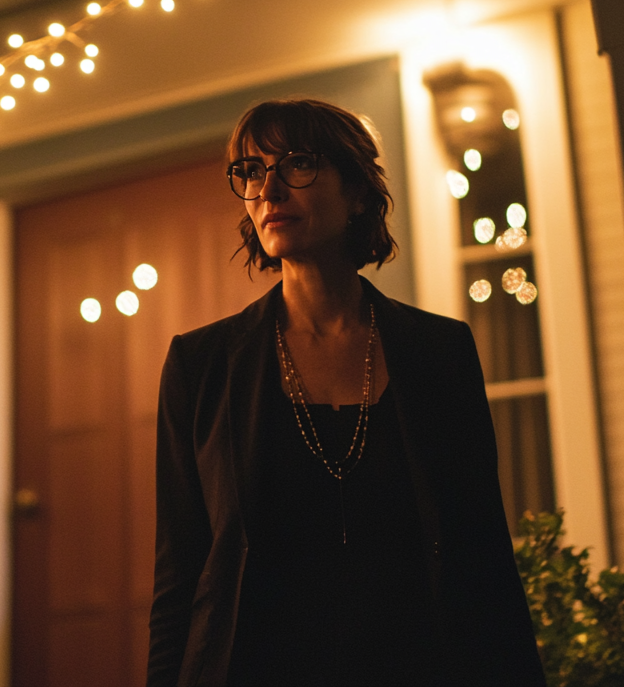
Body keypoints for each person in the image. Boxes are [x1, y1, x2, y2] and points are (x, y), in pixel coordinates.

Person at [147, 99, 544, 687]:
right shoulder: (202, 364)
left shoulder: (439, 352)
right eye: (252, 171)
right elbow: (180, 574)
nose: (269, 189)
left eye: (298, 163)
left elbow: (481, 551)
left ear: (358, 191)